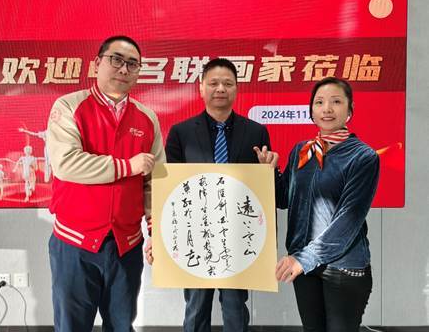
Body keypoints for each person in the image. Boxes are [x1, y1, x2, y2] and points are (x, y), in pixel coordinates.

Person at [146, 58, 278, 332]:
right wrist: (159, 236)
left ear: (236, 89)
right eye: (214, 83)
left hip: (238, 235)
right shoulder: (181, 133)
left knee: (235, 308)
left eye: (227, 83)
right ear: (201, 88)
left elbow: (264, 191)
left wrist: (269, 171)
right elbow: (170, 191)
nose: (220, 89)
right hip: (196, 232)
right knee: (196, 308)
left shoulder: (256, 131)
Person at [46, 36, 165, 332]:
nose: (124, 69)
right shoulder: (69, 107)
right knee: (71, 327)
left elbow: (154, 183)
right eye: (116, 60)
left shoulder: (147, 118)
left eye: (133, 64)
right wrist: (128, 166)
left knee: (122, 326)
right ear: (97, 64)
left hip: (126, 245)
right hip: (74, 243)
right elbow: (66, 163)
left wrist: (157, 232)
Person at [263, 77, 380, 332]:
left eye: (336, 102)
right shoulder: (302, 151)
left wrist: (302, 259)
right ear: (311, 112)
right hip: (305, 267)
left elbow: (348, 220)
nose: (327, 109)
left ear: (349, 111)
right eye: (319, 102)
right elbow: (284, 199)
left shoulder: (363, 156)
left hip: (342, 266)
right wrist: (268, 173)